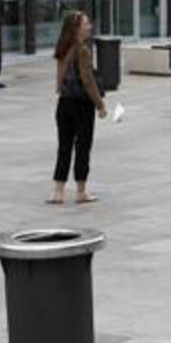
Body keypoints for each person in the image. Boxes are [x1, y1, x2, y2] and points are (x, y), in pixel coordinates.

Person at [51, 11, 107, 204]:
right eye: (86, 24)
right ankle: (81, 191)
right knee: (83, 146)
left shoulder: (62, 47)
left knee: (64, 147)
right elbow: (88, 80)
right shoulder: (82, 49)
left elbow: (59, 79)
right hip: (81, 104)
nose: (89, 26)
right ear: (76, 29)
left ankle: (58, 192)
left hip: (64, 103)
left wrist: (62, 90)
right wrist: (100, 104)